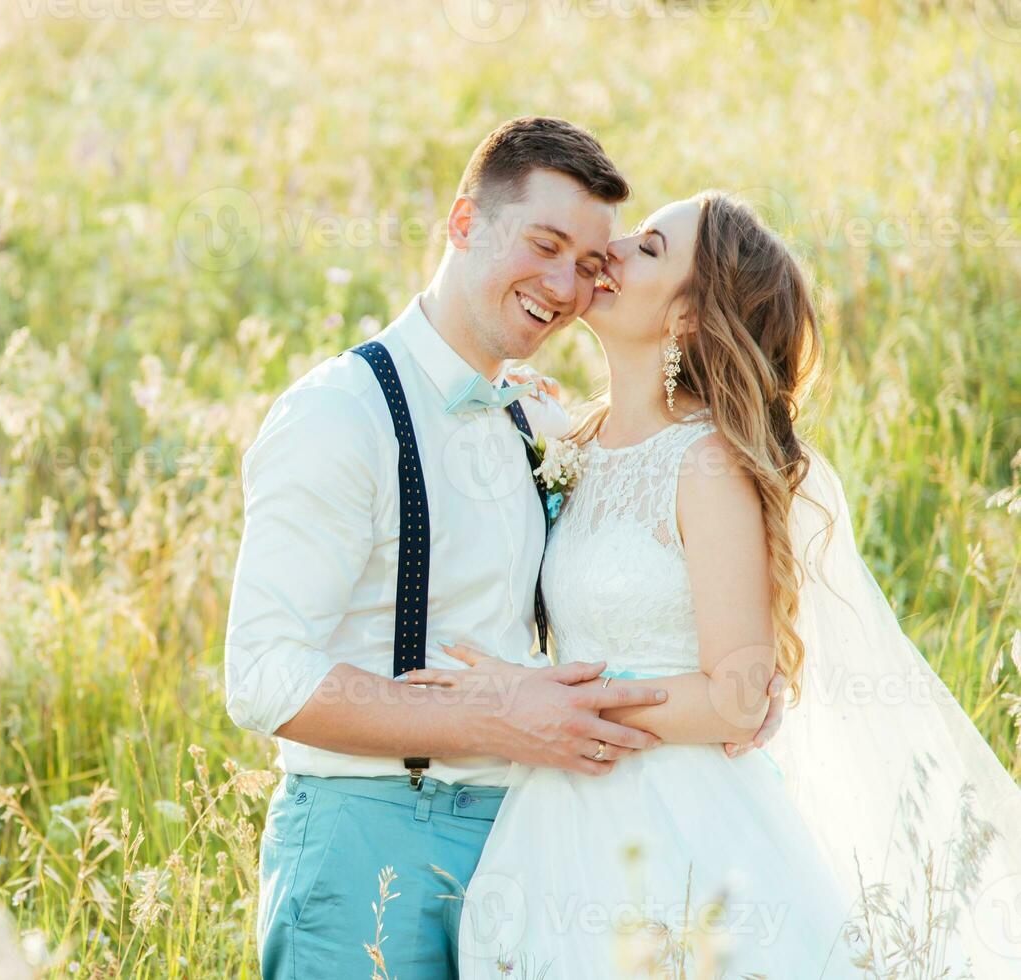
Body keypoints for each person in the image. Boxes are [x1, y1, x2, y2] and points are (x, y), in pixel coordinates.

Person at [223, 120, 786, 979]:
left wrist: (734, 692)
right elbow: (263, 675)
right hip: (368, 835)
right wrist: (493, 716)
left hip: (535, 843)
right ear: (462, 224)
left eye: (591, 262)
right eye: (544, 244)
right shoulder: (338, 416)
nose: (564, 287)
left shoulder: (551, 422)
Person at [420, 192, 1021, 977]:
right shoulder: (570, 438)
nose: (613, 251)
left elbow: (739, 697)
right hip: (553, 813)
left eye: (648, 250)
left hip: (676, 822)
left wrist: (548, 699)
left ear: (686, 320)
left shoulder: (706, 461)